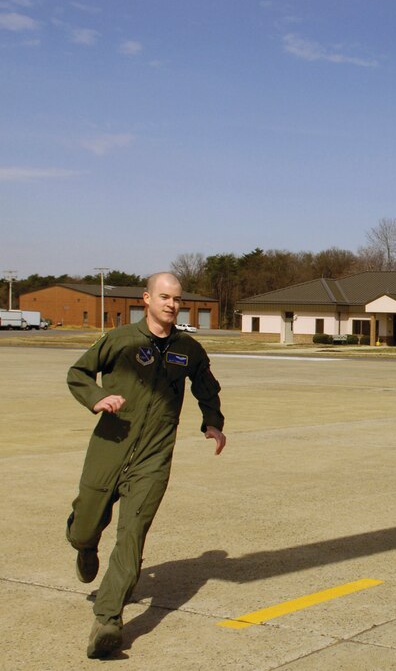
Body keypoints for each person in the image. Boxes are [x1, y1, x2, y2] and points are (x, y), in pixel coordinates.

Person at [65, 272, 226, 659]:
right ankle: (83, 545)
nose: (171, 304)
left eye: (177, 299)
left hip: (153, 458)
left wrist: (213, 422)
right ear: (147, 299)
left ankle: (107, 621)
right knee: (88, 524)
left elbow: (206, 386)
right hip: (109, 448)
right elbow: (78, 373)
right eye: (164, 297)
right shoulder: (119, 341)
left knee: (132, 535)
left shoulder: (188, 348)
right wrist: (97, 397)